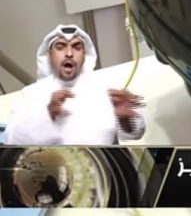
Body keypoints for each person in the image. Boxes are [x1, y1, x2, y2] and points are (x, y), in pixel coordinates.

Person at [3, 24, 146, 145]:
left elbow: (135, 134)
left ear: (85, 55)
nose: (69, 53)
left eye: (77, 47)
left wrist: (125, 119)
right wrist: (48, 114)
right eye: (60, 47)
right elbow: (12, 140)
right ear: (49, 55)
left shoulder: (105, 89)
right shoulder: (30, 94)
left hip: (102, 165)